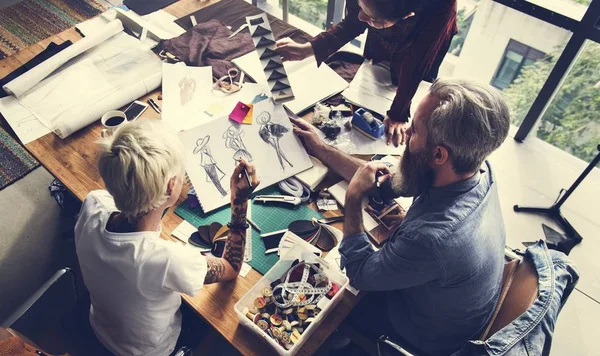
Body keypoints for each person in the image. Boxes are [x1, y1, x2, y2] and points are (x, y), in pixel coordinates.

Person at [291, 78, 511, 355]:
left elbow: (358, 273)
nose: (405, 132)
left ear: (439, 155)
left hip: (419, 336)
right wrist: (322, 149)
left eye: (415, 131)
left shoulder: (431, 239)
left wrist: (354, 198)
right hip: (452, 305)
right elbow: (390, 180)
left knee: (324, 297)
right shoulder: (476, 169)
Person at [74, 121, 259, 356]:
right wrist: (240, 201)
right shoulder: (167, 259)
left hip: (100, 330)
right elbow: (231, 268)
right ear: (172, 187)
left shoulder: (93, 204)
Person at [276, 0, 458, 147]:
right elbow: (354, 21)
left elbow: (417, 63)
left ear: (407, 15)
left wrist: (398, 113)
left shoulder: (441, 6)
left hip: (422, 42)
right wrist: (310, 49)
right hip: (385, 27)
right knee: (374, 69)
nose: (361, 16)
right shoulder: (373, 11)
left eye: (372, 18)